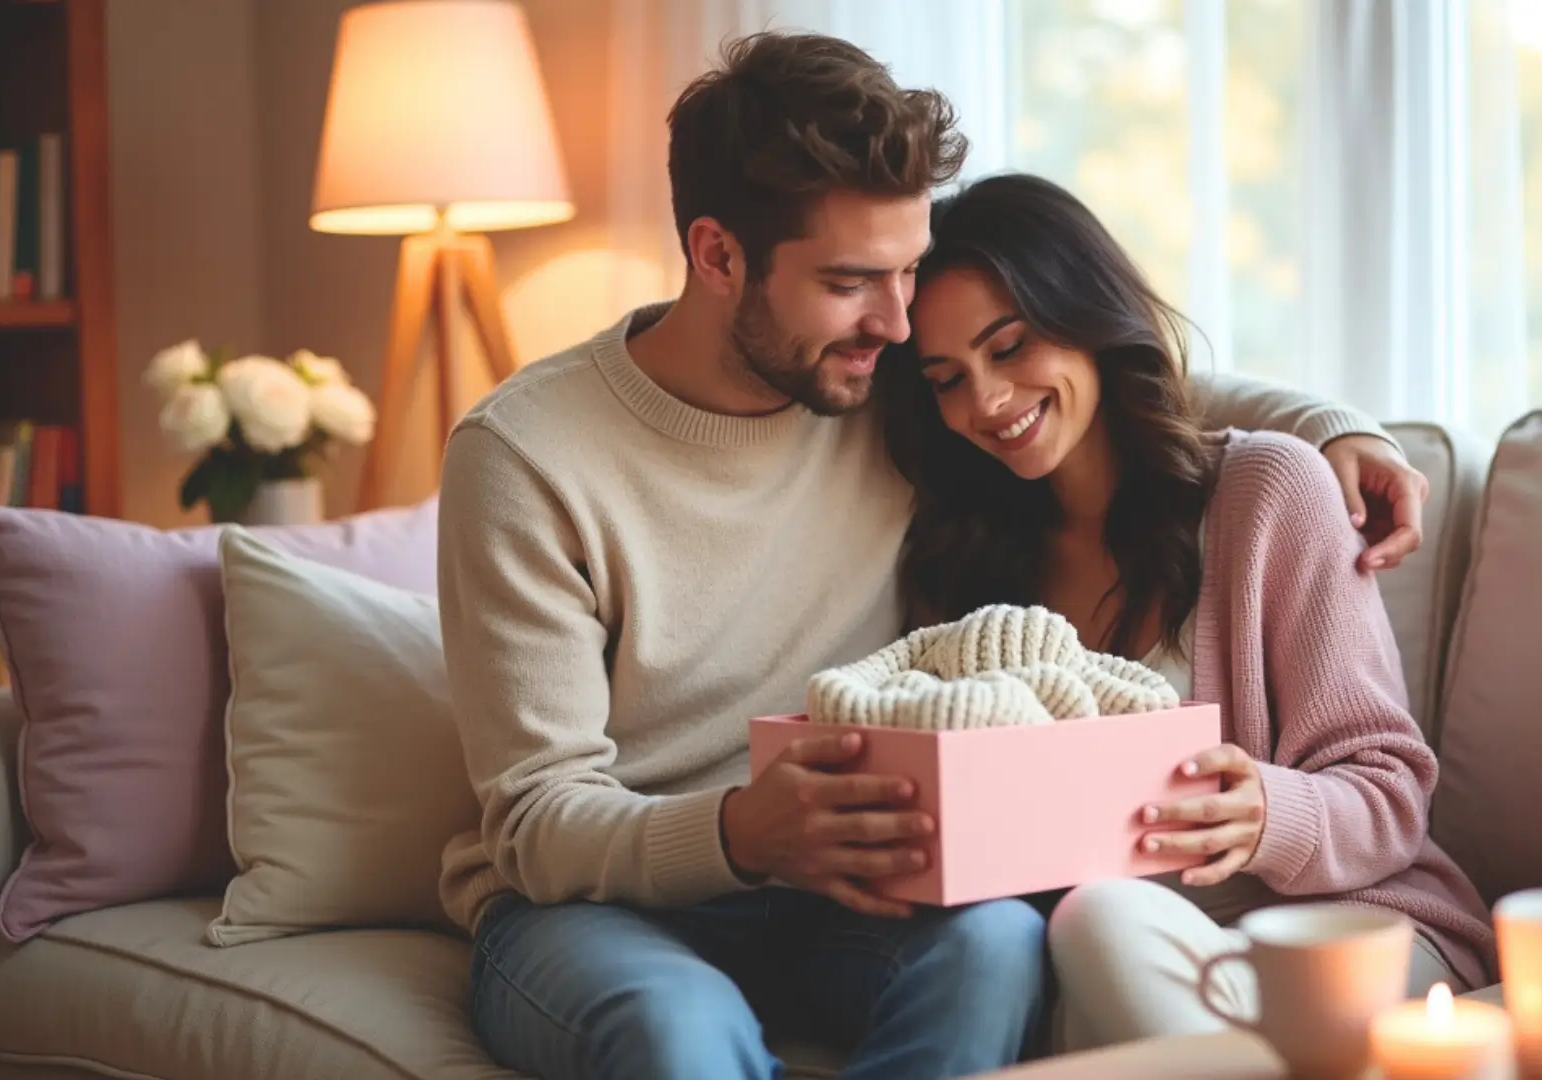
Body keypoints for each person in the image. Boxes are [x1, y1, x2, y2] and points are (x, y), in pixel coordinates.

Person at [437, 30, 1428, 1080]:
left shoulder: (887, 390)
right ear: (719, 255)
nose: (901, 322)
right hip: (599, 911)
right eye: (855, 280)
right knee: (677, 1033)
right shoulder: (525, 457)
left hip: (846, 902)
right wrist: (740, 833)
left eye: (909, 272)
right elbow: (537, 821)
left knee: (999, 943)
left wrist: (1337, 430)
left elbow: (1100, 391)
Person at [875, 172, 1497, 1056]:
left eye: (1009, 347)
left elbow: (1392, 792)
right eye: (947, 379)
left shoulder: (1267, 491)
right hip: (1150, 957)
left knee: (1096, 940)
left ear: (1087, 317)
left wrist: (1266, 812)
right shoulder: (968, 567)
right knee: (1083, 945)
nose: (986, 401)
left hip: (1348, 933)